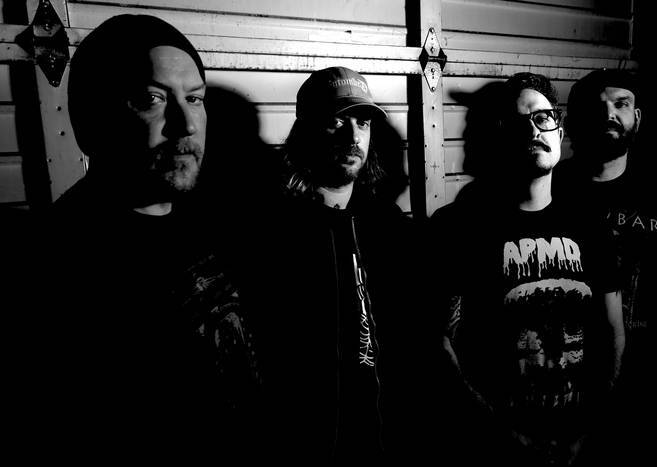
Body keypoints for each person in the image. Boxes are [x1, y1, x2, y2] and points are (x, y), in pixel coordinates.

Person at [38, 14, 258, 457]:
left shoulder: (219, 222)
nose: (186, 124)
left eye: (194, 99)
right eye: (152, 98)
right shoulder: (58, 260)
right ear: (95, 117)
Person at [431, 72, 625, 466]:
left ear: (560, 131)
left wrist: (588, 431)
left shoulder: (591, 225)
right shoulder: (458, 226)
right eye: (519, 122)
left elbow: (614, 333)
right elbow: (440, 340)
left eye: (542, 117)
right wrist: (503, 434)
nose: (533, 130)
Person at [245, 66, 437, 463]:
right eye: (336, 121)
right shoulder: (269, 230)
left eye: (362, 123)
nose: (353, 137)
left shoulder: (388, 226)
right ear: (306, 131)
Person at [557, 68, 657, 464]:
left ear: (638, 117)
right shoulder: (553, 187)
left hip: (649, 381)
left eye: (621, 104)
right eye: (598, 107)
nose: (609, 114)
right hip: (571, 377)